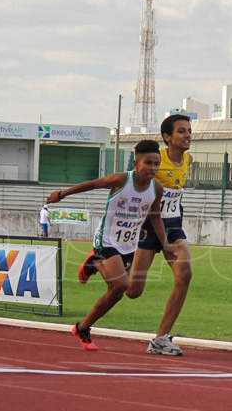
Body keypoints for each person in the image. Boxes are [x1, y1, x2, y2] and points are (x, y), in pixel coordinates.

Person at [45, 140, 170, 351]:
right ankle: (95, 261)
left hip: (129, 244)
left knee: (125, 291)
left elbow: (156, 217)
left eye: (156, 164)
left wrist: (166, 245)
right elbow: (92, 184)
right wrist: (61, 194)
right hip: (107, 240)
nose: (153, 168)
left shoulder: (156, 187)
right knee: (120, 285)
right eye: (148, 163)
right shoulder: (121, 180)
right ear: (136, 163)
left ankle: (82, 327)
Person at [126, 114, 194, 356]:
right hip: (147, 227)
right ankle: (104, 261)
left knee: (184, 275)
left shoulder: (188, 160)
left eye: (189, 130)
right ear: (167, 137)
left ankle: (161, 339)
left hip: (173, 226)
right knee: (133, 291)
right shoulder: (155, 160)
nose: (187, 135)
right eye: (181, 131)